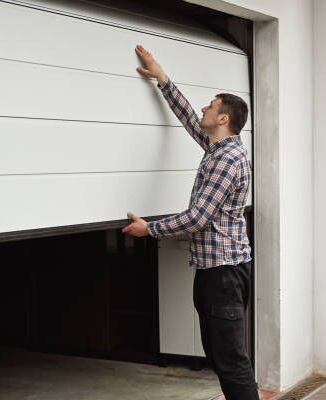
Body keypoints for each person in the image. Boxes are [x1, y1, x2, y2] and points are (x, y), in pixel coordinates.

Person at [121, 44, 258, 400]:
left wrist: (149, 229)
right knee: (221, 356)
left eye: (210, 106)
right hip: (215, 272)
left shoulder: (226, 160)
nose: (203, 109)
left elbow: (197, 218)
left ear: (223, 119)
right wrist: (162, 77)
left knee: (230, 360)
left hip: (223, 275)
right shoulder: (217, 148)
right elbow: (187, 117)